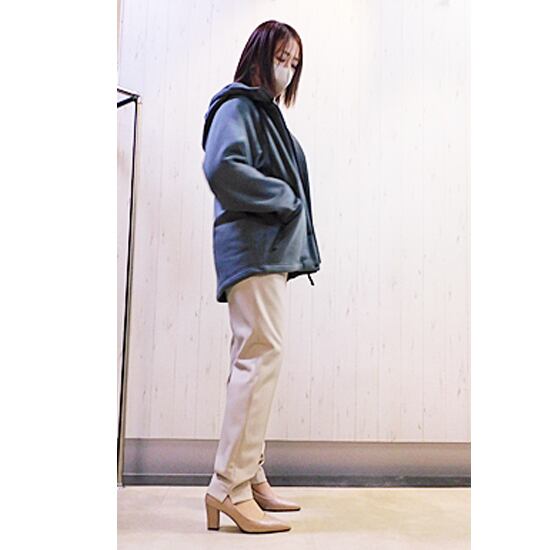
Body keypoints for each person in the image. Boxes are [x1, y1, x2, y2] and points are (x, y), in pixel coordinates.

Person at [200, 19, 321, 534]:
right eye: (281, 57)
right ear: (259, 53)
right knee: (260, 356)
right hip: (253, 249)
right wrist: (284, 199)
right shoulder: (238, 107)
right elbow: (222, 167)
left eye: (295, 63)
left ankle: (248, 474)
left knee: (252, 358)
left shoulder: (264, 113)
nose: (287, 69)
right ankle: (229, 486)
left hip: (263, 251)